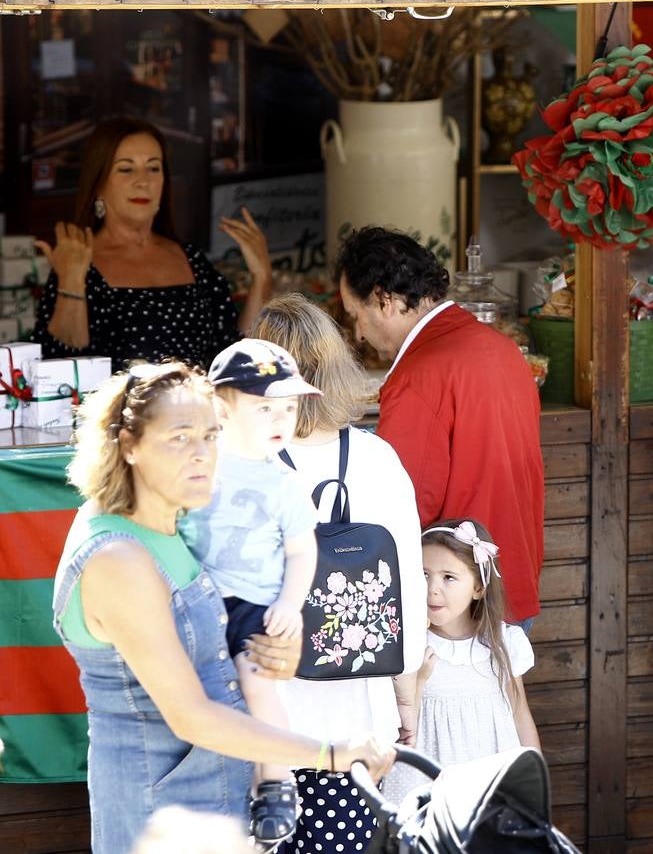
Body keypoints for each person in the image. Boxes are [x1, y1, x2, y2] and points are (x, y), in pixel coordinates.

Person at [54, 361, 393, 853]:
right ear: (128, 446)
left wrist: (280, 639)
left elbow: (217, 634)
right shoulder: (117, 554)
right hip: (160, 812)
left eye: (211, 436)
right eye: (180, 438)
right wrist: (331, 754)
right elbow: (189, 715)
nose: (202, 455)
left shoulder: (175, 518)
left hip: (223, 795)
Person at [252, 293, 428, 854]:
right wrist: (405, 699)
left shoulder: (243, 465)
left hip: (265, 727)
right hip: (358, 721)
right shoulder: (378, 460)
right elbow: (408, 594)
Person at [335, 226, 545, 629]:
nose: (358, 333)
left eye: (355, 314)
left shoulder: (419, 375)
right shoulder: (503, 349)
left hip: (456, 607)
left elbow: (406, 504)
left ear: (384, 299)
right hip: (511, 578)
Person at [182, 338, 322, 843]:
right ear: (221, 408)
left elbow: (302, 551)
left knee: (256, 678)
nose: (280, 419)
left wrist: (291, 603)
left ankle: (277, 780)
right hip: (196, 599)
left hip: (254, 606)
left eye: (287, 407)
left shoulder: (283, 482)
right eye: (264, 408)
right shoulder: (198, 465)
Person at [32, 117, 273, 371]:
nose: (143, 181)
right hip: (118, 411)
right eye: (126, 169)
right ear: (99, 184)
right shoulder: (78, 261)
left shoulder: (192, 259)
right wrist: (71, 282)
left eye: (153, 168)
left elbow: (235, 357)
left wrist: (261, 276)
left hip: (199, 409)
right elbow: (60, 370)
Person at [381, 519, 540, 806]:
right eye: (423, 575)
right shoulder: (408, 645)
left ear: (478, 587)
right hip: (427, 786)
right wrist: (418, 681)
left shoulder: (503, 643)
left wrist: (535, 785)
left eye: (448, 577)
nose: (432, 589)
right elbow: (400, 730)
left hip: (490, 782)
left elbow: (520, 715)